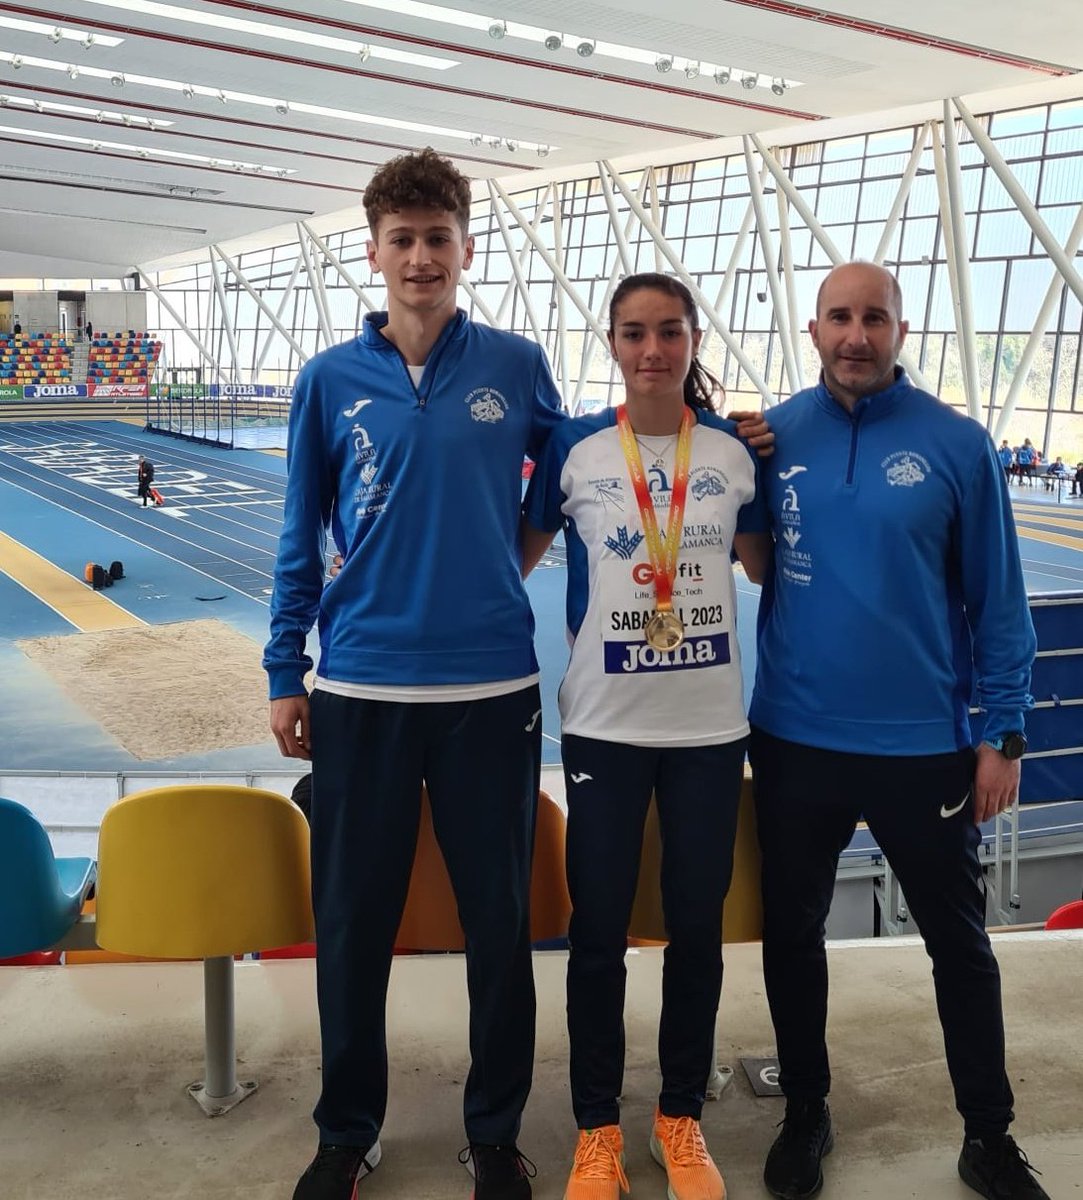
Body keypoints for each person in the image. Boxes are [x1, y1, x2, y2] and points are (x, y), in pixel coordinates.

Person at [263, 147, 562, 1200]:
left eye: (439, 238)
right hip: (360, 690)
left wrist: (497, 566)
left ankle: (494, 1134)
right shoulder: (328, 381)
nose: (422, 257)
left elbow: (565, 482)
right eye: (404, 240)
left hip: (490, 693)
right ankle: (348, 1131)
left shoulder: (518, 365)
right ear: (376, 250)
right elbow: (298, 533)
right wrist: (283, 668)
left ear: (465, 248)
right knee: (351, 928)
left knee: (499, 928)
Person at [749, 262, 1047, 1200]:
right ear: (812, 328)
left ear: (899, 329)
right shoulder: (772, 435)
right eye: (839, 317)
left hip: (922, 745)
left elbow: (999, 601)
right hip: (794, 738)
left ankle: (987, 1135)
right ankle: (805, 1110)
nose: (856, 335)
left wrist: (1003, 733)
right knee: (790, 936)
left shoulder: (956, 443)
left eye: (873, 317)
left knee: (958, 945)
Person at [522, 273, 772, 1200]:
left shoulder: (739, 455)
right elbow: (514, 555)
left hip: (709, 729)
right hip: (602, 728)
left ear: (694, 340)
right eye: (634, 334)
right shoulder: (579, 454)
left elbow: (768, 568)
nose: (653, 351)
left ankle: (679, 1120)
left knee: (696, 931)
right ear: (615, 344)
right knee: (598, 936)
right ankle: (596, 1130)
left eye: (669, 332)